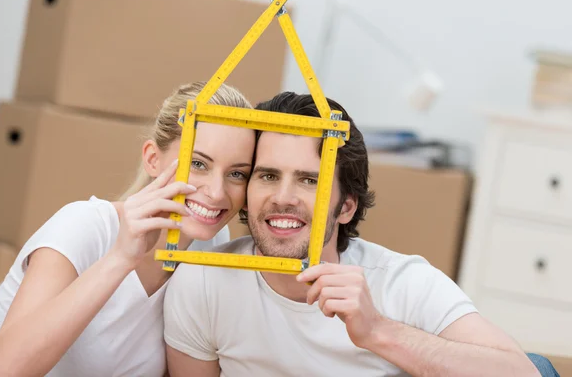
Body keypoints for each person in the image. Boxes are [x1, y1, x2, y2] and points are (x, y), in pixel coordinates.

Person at [162, 92, 543, 377]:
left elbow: (522, 373)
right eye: (268, 175)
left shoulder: (402, 283)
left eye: (310, 180)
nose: (283, 198)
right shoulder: (204, 284)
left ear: (346, 206)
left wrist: (377, 331)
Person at [0, 81, 257, 377]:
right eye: (198, 163)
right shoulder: (85, 226)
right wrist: (121, 258)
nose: (216, 192)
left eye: (237, 173)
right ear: (152, 159)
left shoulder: (208, 244)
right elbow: (4, 371)